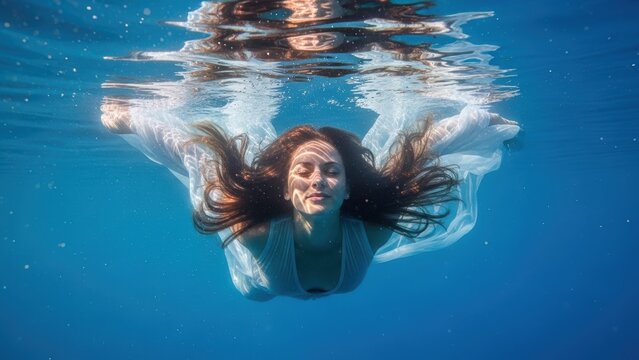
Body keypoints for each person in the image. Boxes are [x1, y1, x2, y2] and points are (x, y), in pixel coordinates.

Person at [100, 98, 519, 301]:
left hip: (291, 273)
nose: (317, 180)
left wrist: (487, 121)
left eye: (331, 171)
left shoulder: (372, 229)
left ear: (348, 187)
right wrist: (130, 119)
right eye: (303, 171)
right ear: (285, 189)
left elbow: (422, 150)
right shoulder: (255, 235)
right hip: (256, 281)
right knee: (253, 293)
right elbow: (196, 155)